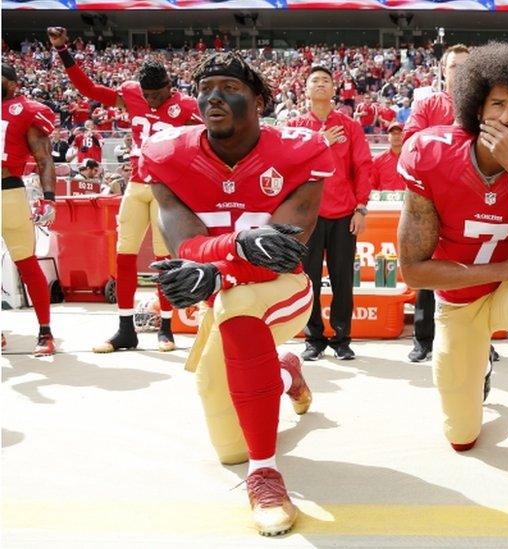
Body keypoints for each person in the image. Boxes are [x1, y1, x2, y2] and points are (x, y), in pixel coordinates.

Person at [144, 52, 334, 536]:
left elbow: (281, 250)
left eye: (229, 86)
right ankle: (284, 371)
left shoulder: (300, 148)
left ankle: (265, 473)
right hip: (224, 295)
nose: (213, 97)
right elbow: (183, 243)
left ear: (259, 99)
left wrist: (216, 267)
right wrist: (231, 250)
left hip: (282, 290)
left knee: (239, 309)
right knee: (229, 446)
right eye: (205, 87)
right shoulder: (167, 151)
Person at [397, 43, 508, 530]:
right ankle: (477, 373)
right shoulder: (430, 151)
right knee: (461, 436)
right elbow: (413, 271)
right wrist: (499, 271)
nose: (506, 114)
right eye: (497, 102)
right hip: (457, 303)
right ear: (476, 106)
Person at [48, 27, 203, 353]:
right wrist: (63, 50)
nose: (150, 101)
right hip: (136, 183)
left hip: (166, 191)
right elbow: (87, 88)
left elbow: (214, 136)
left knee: (164, 259)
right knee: (124, 254)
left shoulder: (186, 105)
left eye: (156, 96)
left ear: (169, 88)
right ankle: (125, 328)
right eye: (146, 95)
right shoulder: (132, 93)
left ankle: (165, 327)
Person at [288, 65, 373, 362]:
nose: (321, 84)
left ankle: (341, 338)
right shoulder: (297, 126)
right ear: (306, 90)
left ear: (334, 90)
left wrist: (361, 207)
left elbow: (363, 167)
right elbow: (291, 166)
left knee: (341, 280)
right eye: (315, 81)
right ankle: (313, 338)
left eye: (326, 80)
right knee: (308, 280)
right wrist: (320, 141)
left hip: (342, 214)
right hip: (308, 217)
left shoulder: (349, 126)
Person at [402, 44, 470, 363]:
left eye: (464, 66)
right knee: (426, 265)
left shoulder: (483, 105)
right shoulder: (429, 104)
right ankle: (423, 338)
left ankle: (480, 338)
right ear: (443, 71)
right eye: (453, 66)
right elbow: (410, 143)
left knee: (472, 268)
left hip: (469, 198)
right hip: (432, 198)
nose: (458, 71)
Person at [1, 62, 58, 356]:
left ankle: (45, 331)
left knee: (26, 262)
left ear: (12, 83)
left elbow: (44, 157)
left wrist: (49, 197)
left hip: (8, 191)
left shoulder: (24, 109)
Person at [369, 122, 405, 191]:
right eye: (393, 133)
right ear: (388, 137)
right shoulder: (378, 160)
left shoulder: (411, 159)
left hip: (406, 200)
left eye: (399, 133)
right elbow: (372, 184)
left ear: (404, 135)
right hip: (385, 201)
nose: (396, 136)